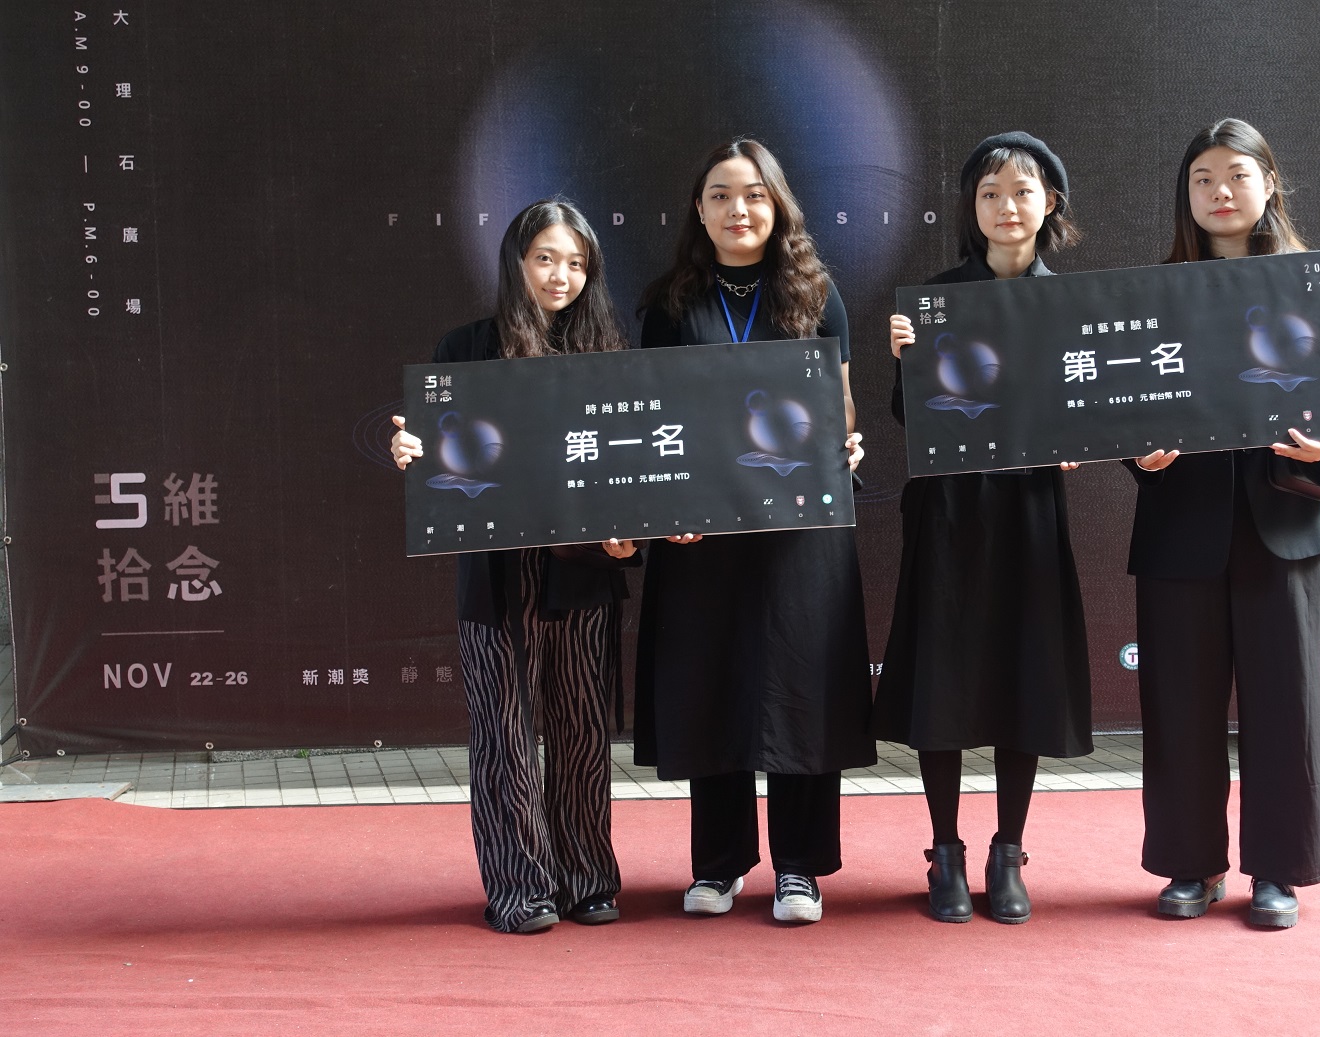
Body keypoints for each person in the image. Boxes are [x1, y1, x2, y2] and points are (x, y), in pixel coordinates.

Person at [1128, 119, 1320, 928]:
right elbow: (1124, 401)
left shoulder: (1315, 282)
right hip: (1181, 524)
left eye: (1236, 174)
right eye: (1202, 178)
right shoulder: (1158, 290)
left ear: (1269, 183)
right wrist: (1140, 454)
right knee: (1180, 704)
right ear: (1186, 196)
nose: (1220, 191)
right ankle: (1190, 864)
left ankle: (1279, 869)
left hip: (1284, 520)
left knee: (1287, 704)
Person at [634, 137, 872, 924]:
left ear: (779, 206)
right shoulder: (669, 304)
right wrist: (666, 505)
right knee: (714, 687)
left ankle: (800, 867)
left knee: (802, 687)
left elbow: (841, 407)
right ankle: (719, 863)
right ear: (698, 211)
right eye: (721, 195)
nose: (739, 209)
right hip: (703, 534)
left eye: (755, 195)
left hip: (800, 530)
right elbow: (655, 419)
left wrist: (849, 441)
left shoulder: (816, 295)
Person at [389, 199, 639, 934]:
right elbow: (436, 456)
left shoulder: (608, 357)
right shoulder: (465, 349)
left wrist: (632, 540)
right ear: (516, 263)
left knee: (580, 729)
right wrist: (409, 452)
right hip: (497, 574)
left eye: (577, 263)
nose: (561, 276)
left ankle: (586, 878)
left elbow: (635, 472)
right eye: (545, 259)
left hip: (582, 570)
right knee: (504, 733)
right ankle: (519, 887)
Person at [872, 132, 1094, 924]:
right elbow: (911, 415)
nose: (1006, 206)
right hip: (950, 511)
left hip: (1028, 510)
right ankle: (945, 851)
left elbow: (1085, 410)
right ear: (972, 207)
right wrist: (905, 358)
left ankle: (1009, 851)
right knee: (943, 676)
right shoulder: (936, 301)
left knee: (1022, 673)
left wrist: (1078, 438)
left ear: (1049, 202)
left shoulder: (1070, 305)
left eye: (1022, 191)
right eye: (990, 193)